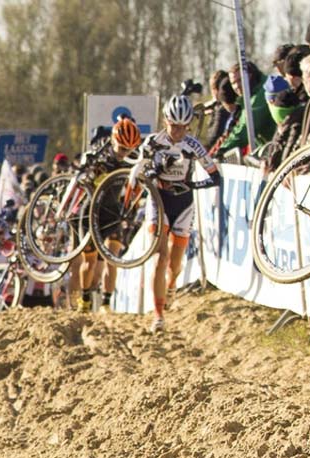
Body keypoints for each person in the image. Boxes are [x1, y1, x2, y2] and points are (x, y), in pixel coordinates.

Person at [131, 94, 221, 332]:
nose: (178, 132)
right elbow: (137, 173)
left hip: (184, 203)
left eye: (182, 127)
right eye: (173, 126)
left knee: (175, 263)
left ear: (188, 125)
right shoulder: (152, 142)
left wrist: (192, 186)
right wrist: (150, 175)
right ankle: (158, 315)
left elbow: (216, 178)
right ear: (165, 121)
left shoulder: (193, 145)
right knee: (160, 258)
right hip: (158, 201)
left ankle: (172, 285)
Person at [74, 116, 144, 311]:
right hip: (92, 212)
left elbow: (138, 185)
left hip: (113, 212)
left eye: (129, 150)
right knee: (89, 261)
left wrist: (132, 205)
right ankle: (85, 299)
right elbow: (83, 178)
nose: (125, 154)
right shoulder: (101, 156)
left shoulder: (132, 159)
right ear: (113, 141)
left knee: (112, 258)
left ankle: (106, 303)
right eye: (121, 148)